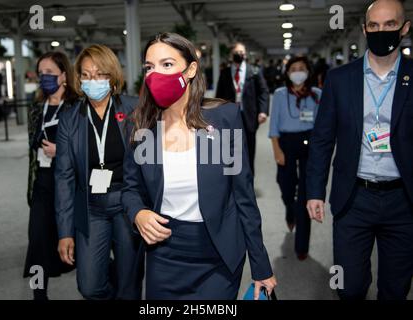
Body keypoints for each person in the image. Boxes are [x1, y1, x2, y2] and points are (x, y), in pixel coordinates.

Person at [122, 32, 277, 300]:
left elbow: (243, 196)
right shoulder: (141, 126)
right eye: (150, 67)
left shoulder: (224, 119)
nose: (155, 74)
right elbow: (129, 188)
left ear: (191, 69)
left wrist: (260, 264)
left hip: (218, 253)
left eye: (167, 64)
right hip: (164, 252)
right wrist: (138, 213)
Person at [306, 0, 413, 300]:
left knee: (396, 287)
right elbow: (322, 138)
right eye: (375, 26)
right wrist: (314, 190)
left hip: (403, 199)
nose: (382, 31)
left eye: (390, 24)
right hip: (354, 197)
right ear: (365, 29)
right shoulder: (340, 79)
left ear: (405, 28)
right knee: (349, 286)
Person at [55, 44, 144, 300]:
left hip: (128, 203)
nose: (92, 80)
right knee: (90, 286)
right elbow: (63, 177)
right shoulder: (70, 119)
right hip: (91, 206)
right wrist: (65, 232)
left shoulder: (134, 109)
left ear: (112, 76)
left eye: (99, 74)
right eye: (86, 74)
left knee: (130, 285)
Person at [23, 52, 78, 300]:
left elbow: (88, 147)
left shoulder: (77, 106)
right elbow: (32, 146)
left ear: (64, 75)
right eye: (41, 73)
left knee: (78, 243)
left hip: (71, 183)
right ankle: (39, 295)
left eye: (49, 73)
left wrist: (62, 151)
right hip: (43, 183)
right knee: (37, 242)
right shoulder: (37, 109)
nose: (44, 77)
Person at [269, 56, 321, 261]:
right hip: (286, 143)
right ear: (287, 73)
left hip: (310, 142)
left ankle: (302, 246)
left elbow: (323, 125)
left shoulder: (317, 94)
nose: (298, 72)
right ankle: (290, 210)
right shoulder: (280, 94)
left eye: (302, 68)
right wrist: (276, 150)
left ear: (309, 71)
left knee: (307, 193)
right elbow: (273, 126)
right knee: (286, 185)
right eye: (294, 69)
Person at [215, 42, 270, 175]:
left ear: (245, 55)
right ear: (231, 55)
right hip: (230, 117)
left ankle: (248, 179)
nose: (240, 55)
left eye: (242, 52)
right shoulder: (225, 73)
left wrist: (263, 111)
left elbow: (263, 92)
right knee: (230, 149)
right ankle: (232, 179)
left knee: (248, 149)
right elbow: (219, 95)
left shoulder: (254, 71)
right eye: (237, 53)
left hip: (249, 116)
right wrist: (217, 114)